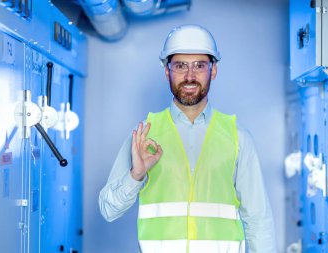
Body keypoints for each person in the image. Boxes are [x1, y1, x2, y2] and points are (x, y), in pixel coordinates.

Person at [99, 24, 277, 253]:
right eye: (181, 65)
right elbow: (108, 210)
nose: (190, 76)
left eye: (199, 66)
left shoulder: (238, 137)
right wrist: (136, 175)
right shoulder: (144, 135)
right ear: (167, 71)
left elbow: (258, 220)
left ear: (213, 70)